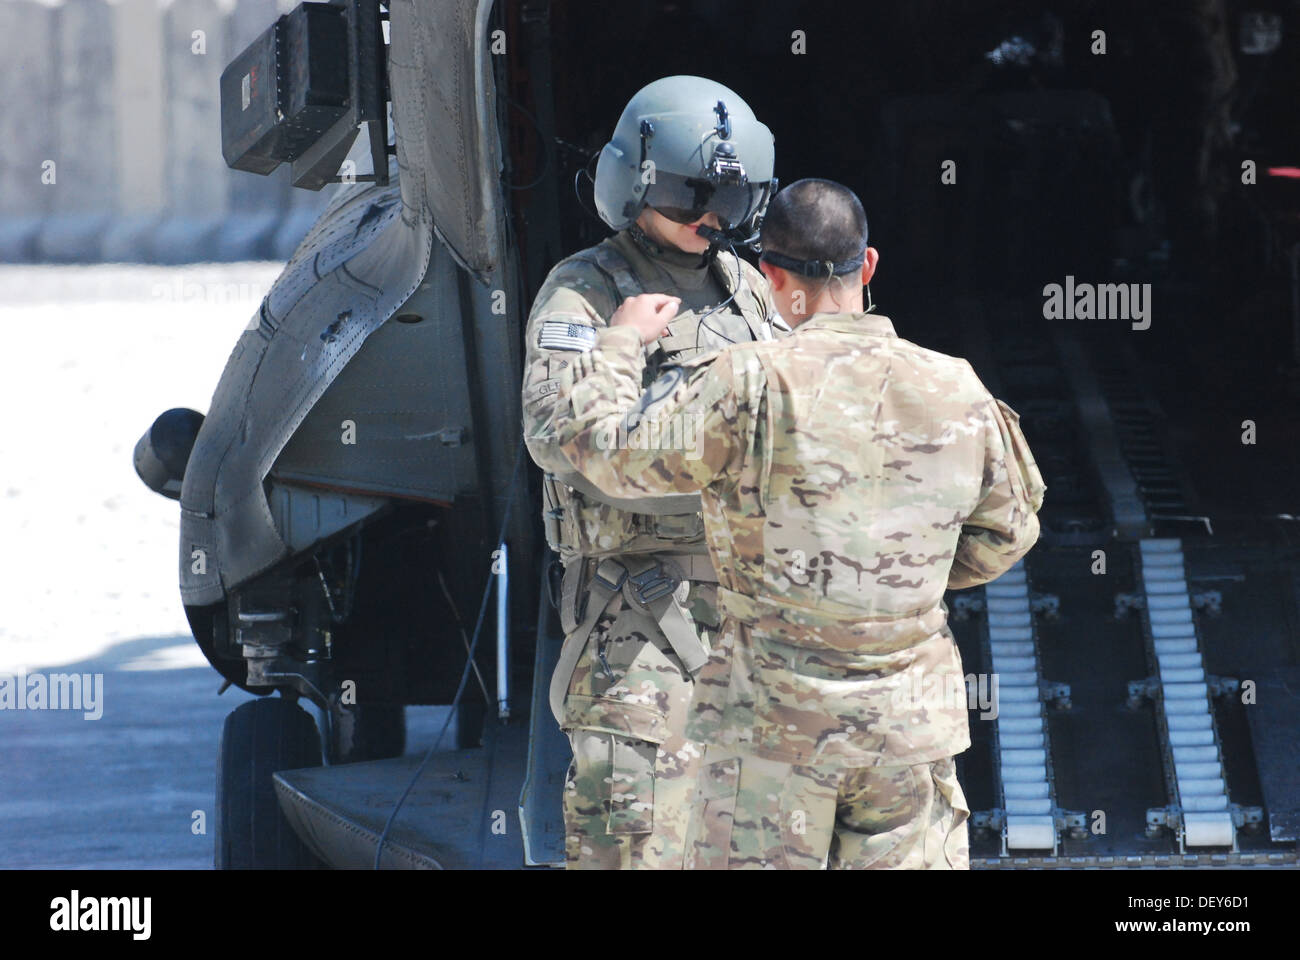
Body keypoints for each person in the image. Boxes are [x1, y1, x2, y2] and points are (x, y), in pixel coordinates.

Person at [548, 178, 1046, 869]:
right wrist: (897, 580)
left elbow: (599, 453)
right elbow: (1011, 530)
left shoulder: (744, 383)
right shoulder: (954, 386)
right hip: (903, 732)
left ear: (772, 278)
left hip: (768, 736)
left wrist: (623, 343)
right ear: (867, 266)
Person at [521, 75, 784, 869]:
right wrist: (623, 342)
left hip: (754, 620)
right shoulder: (587, 290)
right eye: (686, 197)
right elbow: (557, 435)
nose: (709, 220)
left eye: (731, 205)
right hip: (639, 623)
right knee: (631, 841)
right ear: (628, 188)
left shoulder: (747, 290)